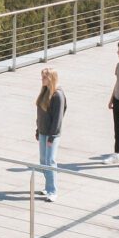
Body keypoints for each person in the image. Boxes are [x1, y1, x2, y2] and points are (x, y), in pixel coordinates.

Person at [35, 67, 65, 201]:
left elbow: (58, 118)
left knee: (50, 161)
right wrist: (38, 129)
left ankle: (53, 191)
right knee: (43, 160)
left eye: (44, 77)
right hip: (42, 131)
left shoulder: (57, 95)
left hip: (52, 134)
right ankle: (48, 186)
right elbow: (40, 114)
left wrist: (52, 136)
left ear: (51, 78)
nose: (42, 79)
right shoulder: (44, 91)